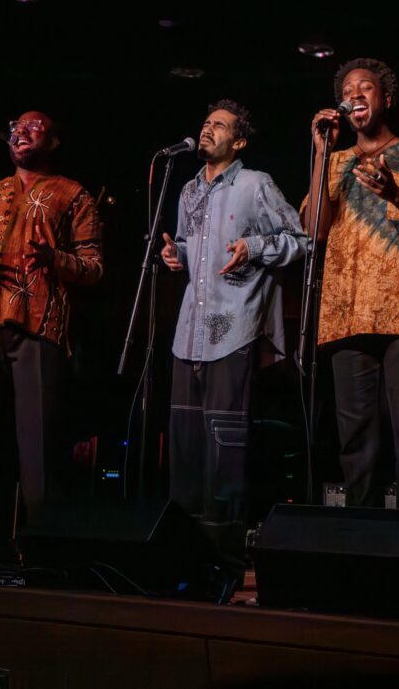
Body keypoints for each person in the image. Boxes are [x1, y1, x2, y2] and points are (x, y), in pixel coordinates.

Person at [0, 111, 104, 553]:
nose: (20, 132)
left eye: (34, 127)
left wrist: (56, 260)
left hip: (38, 323)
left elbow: (94, 267)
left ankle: (41, 554)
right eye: (16, 127)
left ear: (53, 141)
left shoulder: (74, 195)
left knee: (40, 449)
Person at [302, 58, 399, 510]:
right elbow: (314, 229)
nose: (357, 93)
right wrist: (321, 153)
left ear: (386, 98)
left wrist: (395, 195)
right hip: (346, 315)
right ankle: (361, 542)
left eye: (367, 87)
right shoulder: (337, 160)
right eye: (349, 89)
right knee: (356, 442)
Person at [159, 99, 307, 552]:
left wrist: (253, 245)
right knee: (185, 442)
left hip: (233, 325)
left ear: (238, 140)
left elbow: (298, 241)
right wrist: (176, 255)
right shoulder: (188, 190)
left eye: (218, 125)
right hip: (190, 332)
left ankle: (223, 546)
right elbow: (189, 246)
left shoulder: (255, 184)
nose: (207, 130)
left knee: (225, 443)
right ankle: (185, 545)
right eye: (205, 123)